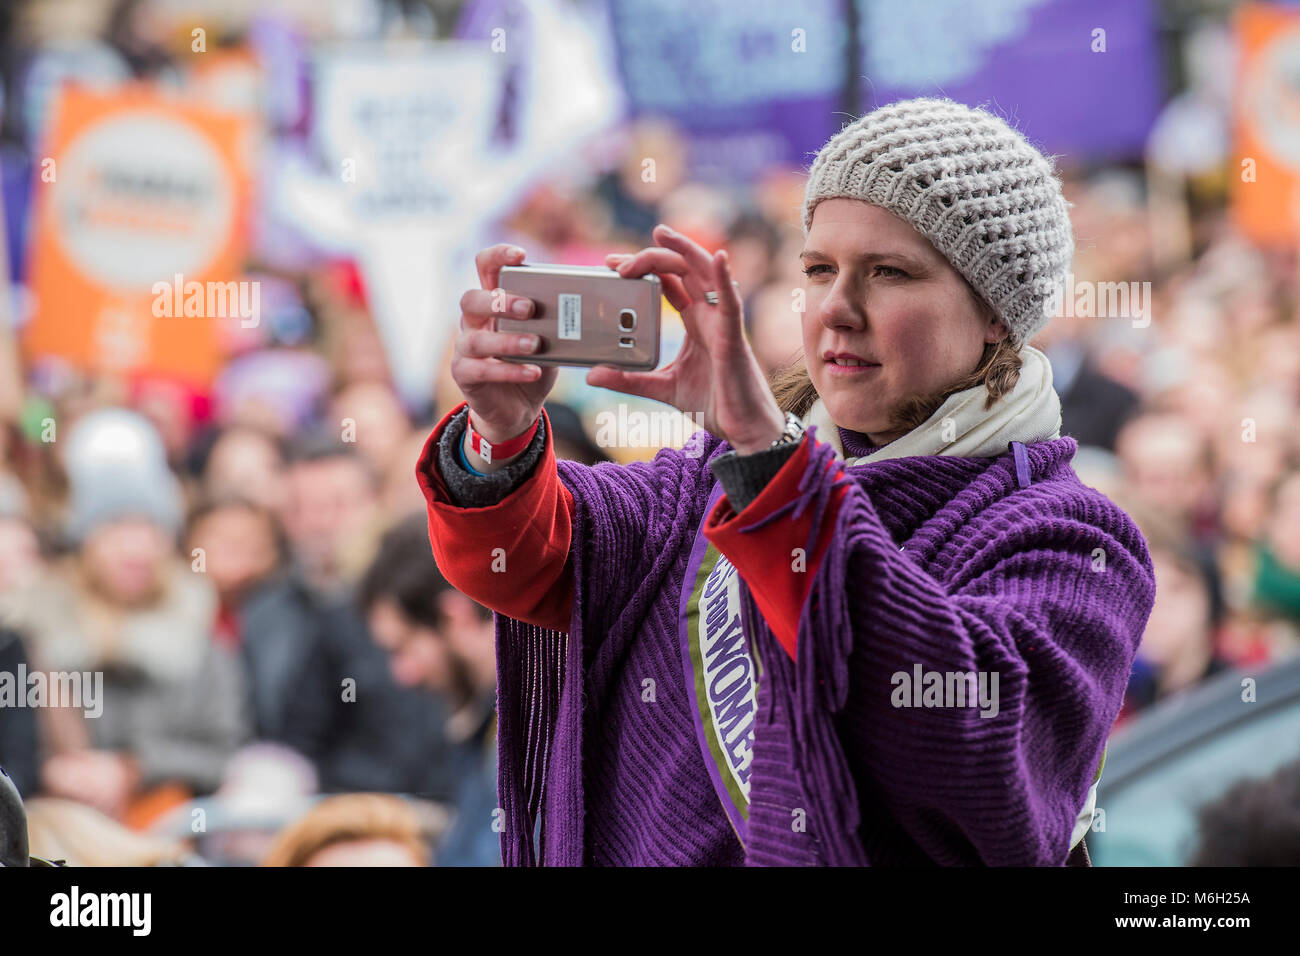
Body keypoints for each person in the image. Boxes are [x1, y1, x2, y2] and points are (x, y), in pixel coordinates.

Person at [419, 98, 1157, 866]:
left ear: (996, 314)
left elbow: (976, 755)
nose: (837, 308)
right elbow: (535, 560)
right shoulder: (720, 478)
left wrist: (772, 469)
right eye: (819, 269)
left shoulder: (1075, 539)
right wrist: (500, 439)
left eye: (889, 272)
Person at [357, 515, 500, 866]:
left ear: (455, 617)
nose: (402, 675)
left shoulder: (534, 732)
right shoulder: (487, 724)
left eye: (403, 648)